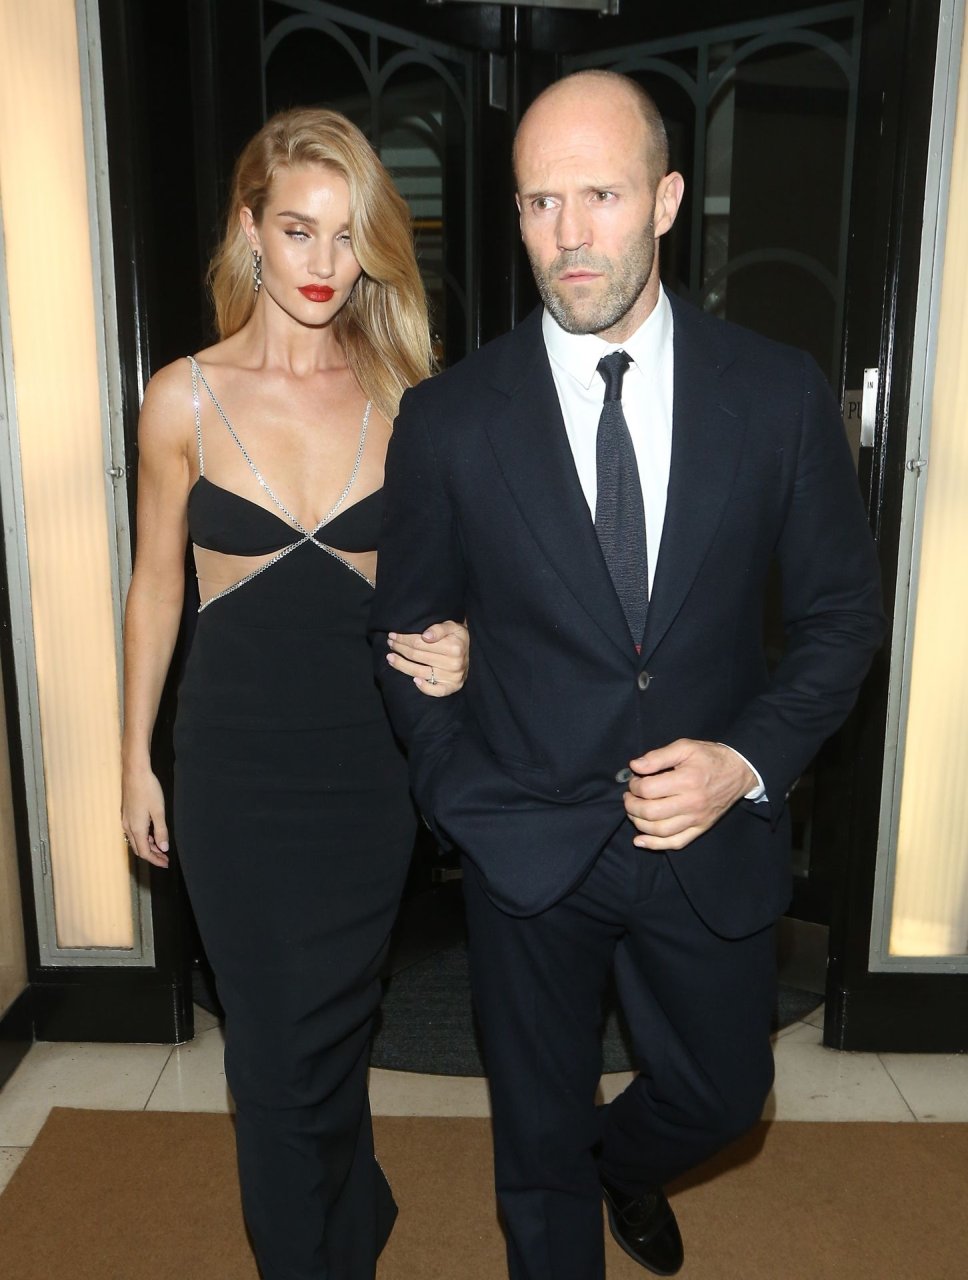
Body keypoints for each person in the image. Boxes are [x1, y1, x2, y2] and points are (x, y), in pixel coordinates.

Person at [371, 70, 884, 1280]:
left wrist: (743, 761)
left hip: (703, 830)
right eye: (538, 201)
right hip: (523, 837)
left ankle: (622, 1157)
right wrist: (459, 796)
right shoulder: (449, 420)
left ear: (663, 200)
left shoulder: (773, 394)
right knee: (532, 1146)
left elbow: (839, 619)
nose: (567, 233)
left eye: (598, 195)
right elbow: (406, 638)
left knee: (724, 1090)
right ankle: (569, 1175)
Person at [121, 108, 469, 1280]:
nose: (324, 261)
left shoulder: (408, 400)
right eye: (297, 229)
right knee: (271, 1055)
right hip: (232, 774)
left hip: (368, 775)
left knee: (334, 1025)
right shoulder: (183, 397)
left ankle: (352, 1204)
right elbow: (154, 588)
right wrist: (133, 759)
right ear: (251, 231)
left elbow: (456, 585)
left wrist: (462, 644)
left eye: (347, 233)